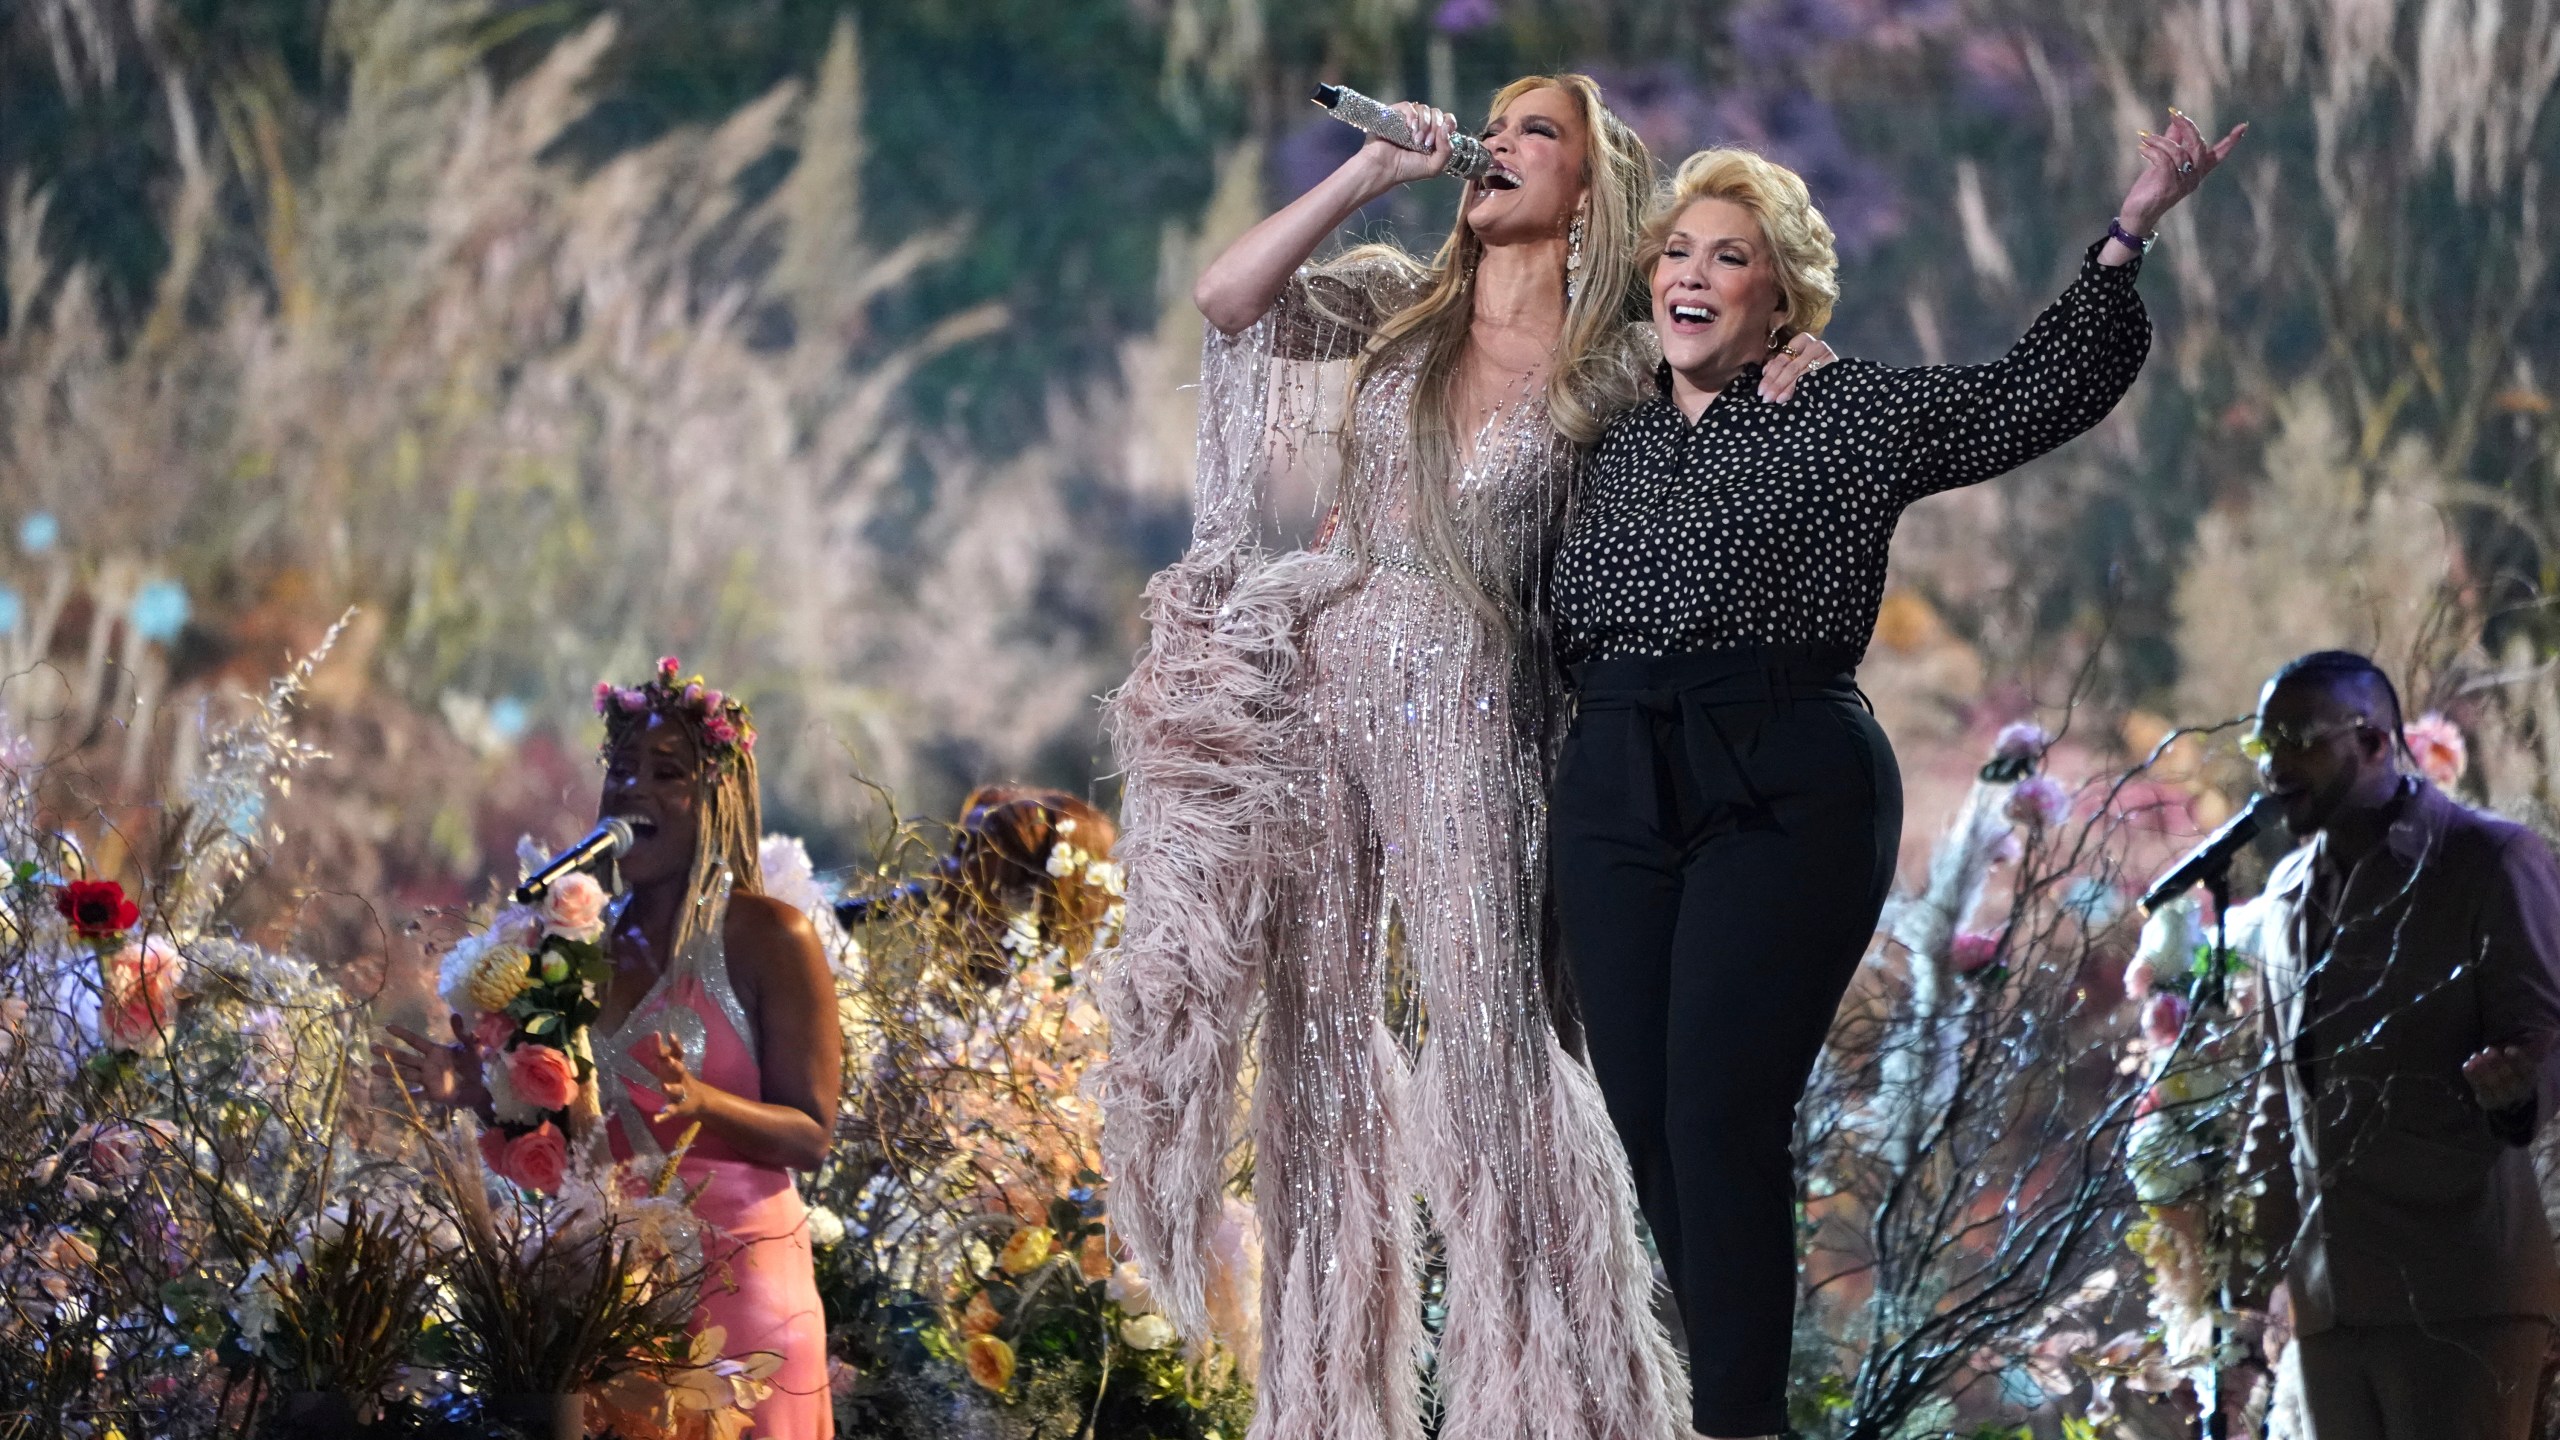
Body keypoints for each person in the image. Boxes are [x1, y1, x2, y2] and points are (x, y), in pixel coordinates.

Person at [1103, 76, 1826, 1440]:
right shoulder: (1397, 303)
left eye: (1535, 130)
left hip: (1477, 702)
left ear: (1591, 187)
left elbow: (1741, 362)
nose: (1497, 142)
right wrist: (1366, 175)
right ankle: (1324, 1408)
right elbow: (1230, 299)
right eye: (1492, 121)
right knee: (1317, 1048)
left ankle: (1554, 1402)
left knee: (1490, 1041)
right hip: (1321, 680)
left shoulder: (1618, 354)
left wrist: (1795, 358)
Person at [1545, 111, 2243, 1437]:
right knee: (1645, 1135)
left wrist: (2132, 224)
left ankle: (1735, 1429)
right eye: (1676, 253)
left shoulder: (1845, 407)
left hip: (1784, 772)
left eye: (1729, 258)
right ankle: (1701, 1405)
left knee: (1717, 1118)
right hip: (1616, 779)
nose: (1690, 275)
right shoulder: (1600, 430)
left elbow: (2035, 389)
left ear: (1783, 294)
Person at [388, 661, 841, 1438]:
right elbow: (572, 1132)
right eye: (621, 770)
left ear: (716, 797)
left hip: (742, 1293)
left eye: (666, 773)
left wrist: (703, 1105)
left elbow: (811, 1133)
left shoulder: (771, 936)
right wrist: (478, 1087)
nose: (633, 789)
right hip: (601, 1290)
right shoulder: (575, 940)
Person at [2230, 650, 2560, 1440]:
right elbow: (2280, 1093)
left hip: (2461, 1293)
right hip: (2332, 1307)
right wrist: (2240, 1283)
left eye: (2299, 737)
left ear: (2376, 741)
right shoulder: (2283, 895)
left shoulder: (2486, 860)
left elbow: (2547, 1034)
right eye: (2263, 742)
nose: (2274, 763)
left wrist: (2519, 1084)